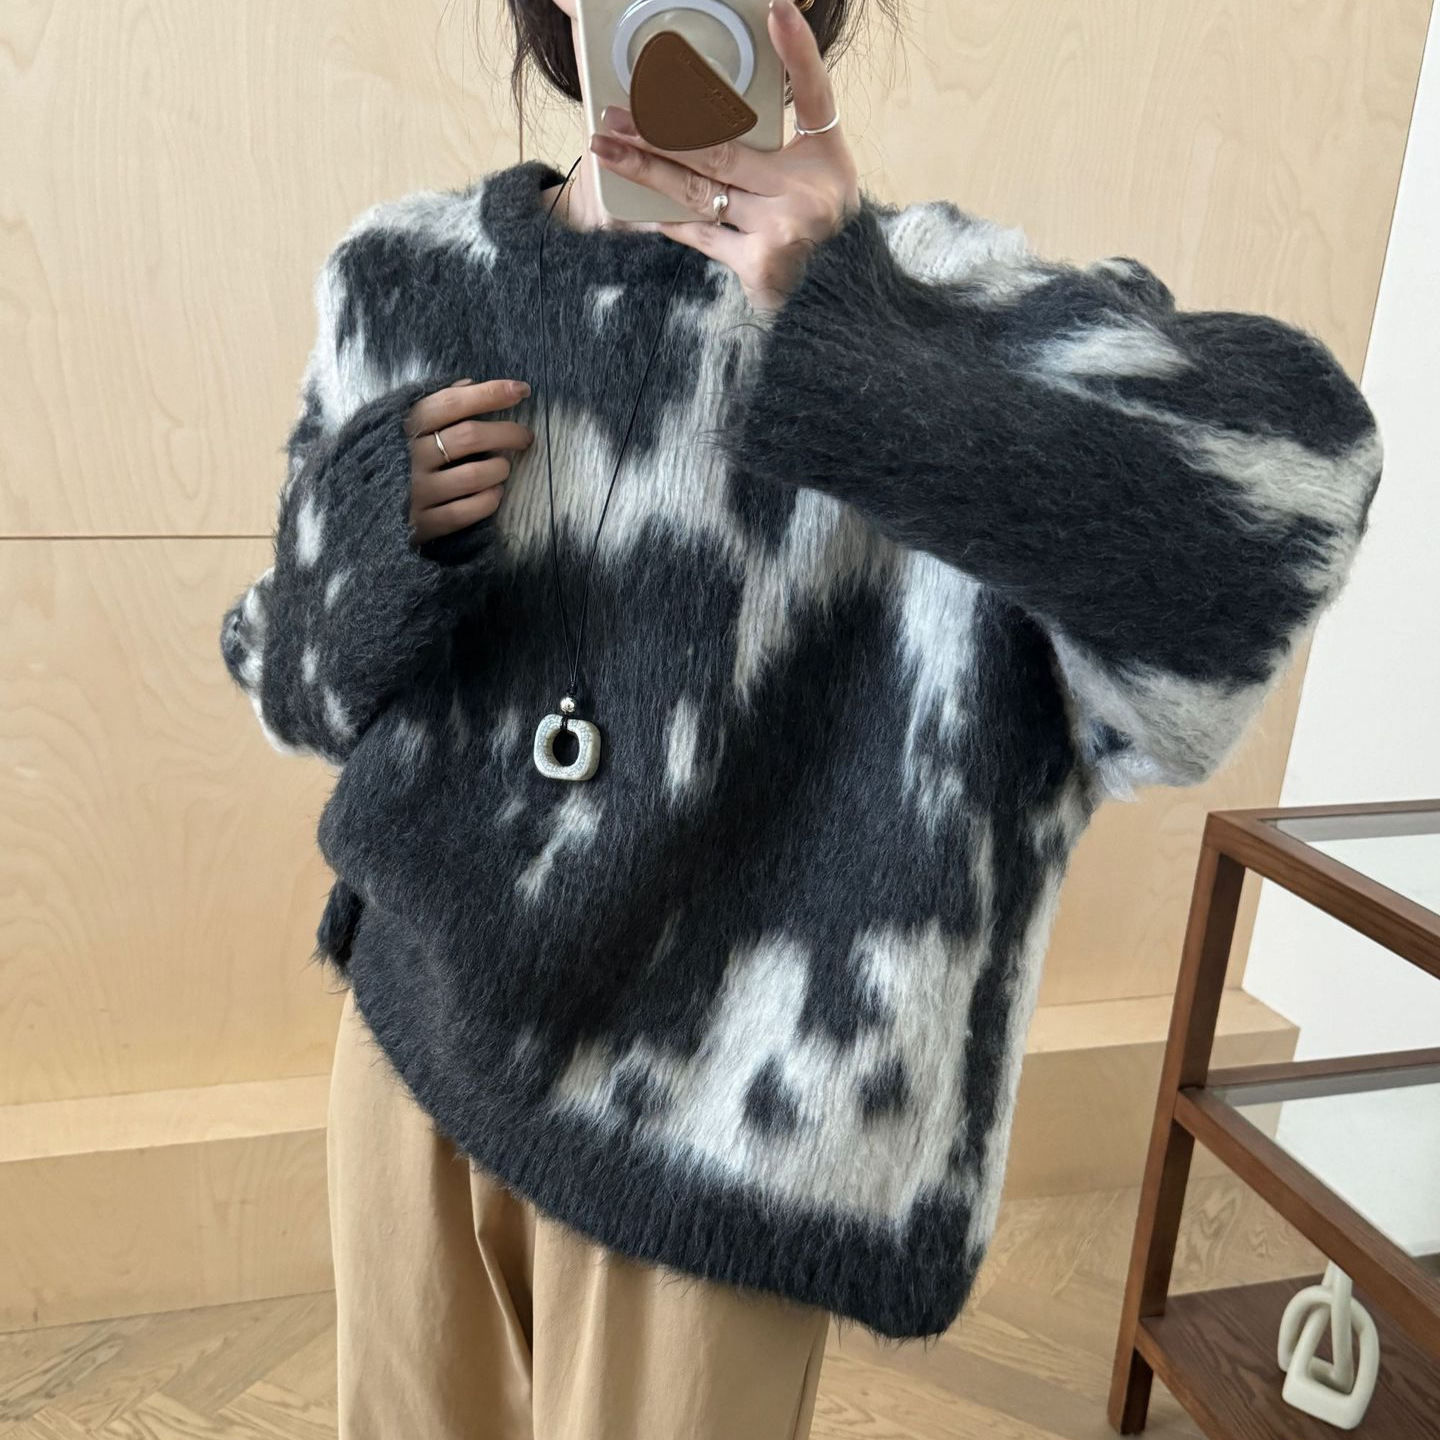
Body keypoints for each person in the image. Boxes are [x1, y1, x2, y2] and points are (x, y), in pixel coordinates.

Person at [218, 0, 1382, 1435]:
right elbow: (292, 683)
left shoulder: (925, 302)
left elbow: (1286, 510)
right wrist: (364, 544)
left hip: (718, 1134)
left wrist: (865, 333)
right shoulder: (398, 279)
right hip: (412, 1054)